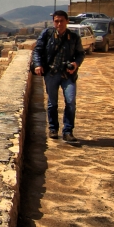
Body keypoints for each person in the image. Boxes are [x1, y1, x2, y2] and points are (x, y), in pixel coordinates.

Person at [32, 10, 85, 142]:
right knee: (52, 103)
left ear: (67, 21)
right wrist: (38, 64)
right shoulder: (47, 34)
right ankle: (53, 129)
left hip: (68, 75)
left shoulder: (73, 37)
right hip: (51, 73)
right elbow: (37, 50)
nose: (59, 24)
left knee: (70, 101)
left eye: (61, 21)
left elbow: (80, 54)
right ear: (53, 22)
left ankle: (68, 131)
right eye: (56, 21)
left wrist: (76, 64)